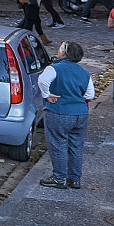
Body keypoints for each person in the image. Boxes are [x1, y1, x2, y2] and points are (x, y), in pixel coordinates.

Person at [38, 39, 95, 188]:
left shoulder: (54, 68)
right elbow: (90, 94)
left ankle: (59, 177)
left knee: (58, 144)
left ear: (64, 52)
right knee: (76, 146)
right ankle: (74, 179)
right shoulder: (84, 72)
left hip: (59, 111)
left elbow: (42, 81)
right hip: (80, 114)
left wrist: (47, 94)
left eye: (60, 48)